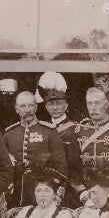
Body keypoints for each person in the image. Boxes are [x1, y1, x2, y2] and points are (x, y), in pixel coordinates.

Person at [3, 91, 67, 207]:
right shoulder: (9, 133)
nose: (27, 110)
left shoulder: (49, 131)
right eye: (23, 106)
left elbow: (61, 166)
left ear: (36, 107)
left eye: (31, 105)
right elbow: (1, 164)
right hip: (15, 196)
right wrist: (13, 168)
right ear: (16, 109)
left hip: (43, 197)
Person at [37, 72, 82, 208]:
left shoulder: (75, 129)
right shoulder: (42, 128)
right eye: (51, 104)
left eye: (58, 104)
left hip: (69, 185)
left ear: (66, 106)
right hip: (47, 185)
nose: (55, 108)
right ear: (46, 107)